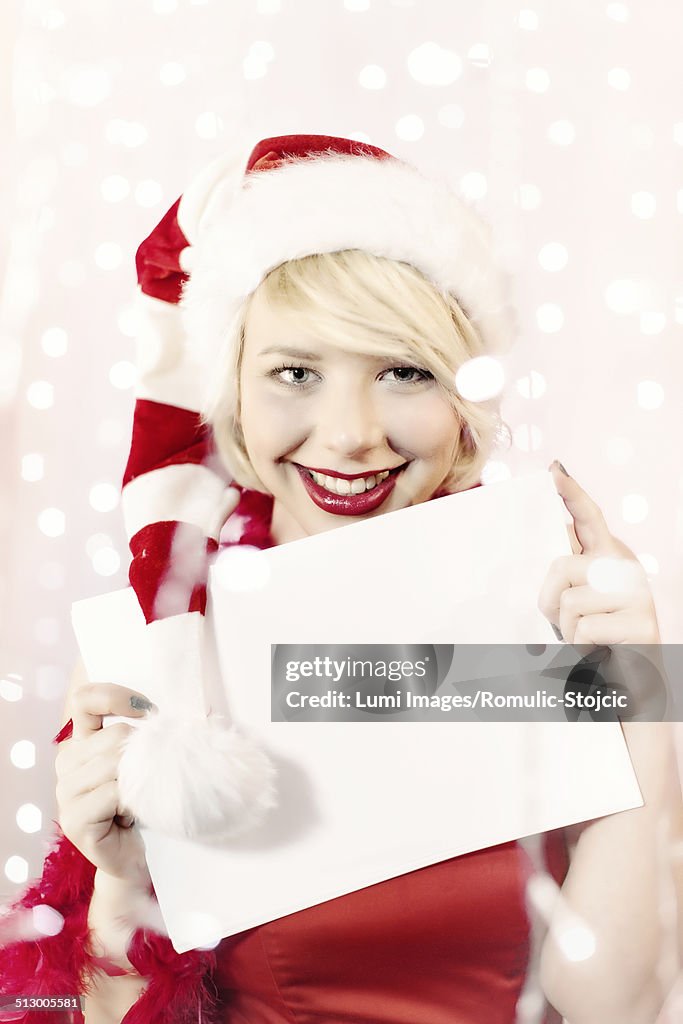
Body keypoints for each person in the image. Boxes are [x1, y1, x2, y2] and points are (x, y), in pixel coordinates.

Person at [1, 135, 680, 1024]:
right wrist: (121, 895)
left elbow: (615, 1007)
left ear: (460, 394)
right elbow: (85, 1004)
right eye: (294, 373)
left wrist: (643, 692)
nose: (349, 435)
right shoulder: (156, 654)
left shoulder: (544, 608)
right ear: (233, 390)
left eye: (402, 371)